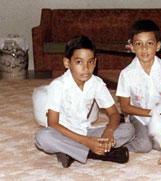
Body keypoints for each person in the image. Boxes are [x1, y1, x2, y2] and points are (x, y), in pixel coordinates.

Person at [35, 35, 135, 168]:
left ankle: (71, 152)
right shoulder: (58, 85)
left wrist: (109, 132)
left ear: (95, 62)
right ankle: (93, 153)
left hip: (85, 131)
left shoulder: (96, 83)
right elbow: (53, 123)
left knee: (129, 129)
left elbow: (114, 114)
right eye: (79, 62)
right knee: (42, 137)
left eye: (91, 62)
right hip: (63, 133)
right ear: (67, 63)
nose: (86, 68)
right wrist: (87, 142)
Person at [116, 19, 161, 153]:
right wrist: (152, 113)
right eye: (139, 44)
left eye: (149, 43)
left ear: (158, 46)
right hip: (138, 116)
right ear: (131, 47)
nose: (144, 48)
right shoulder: (126, 73)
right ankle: (120, 146)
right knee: (144, 146)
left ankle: (142, 135)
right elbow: (125, 107)